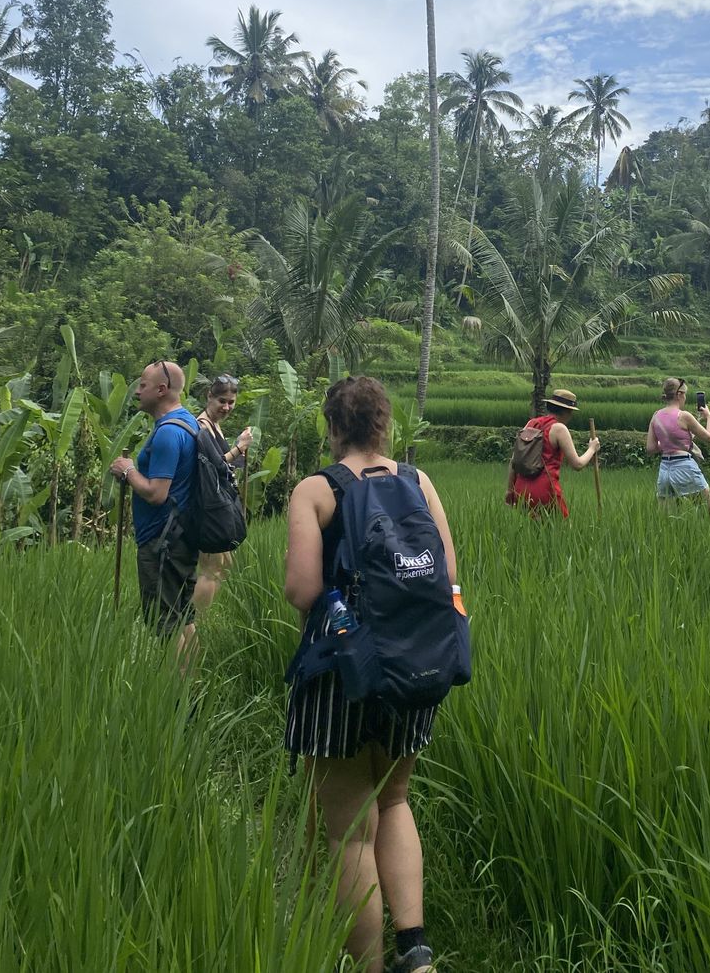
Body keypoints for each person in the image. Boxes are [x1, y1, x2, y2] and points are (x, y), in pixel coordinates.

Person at [284, 377, 456, 973]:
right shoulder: (417, 482)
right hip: (418, 665)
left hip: (345, 675)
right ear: (385, 424)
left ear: (332, 427)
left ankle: (370, 966)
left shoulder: (316, 490)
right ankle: (416, 950)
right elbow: (447, 578)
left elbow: (303, 590)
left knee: (350, 832)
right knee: (397, 798)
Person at [109, 359, 200, 661]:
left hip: (162, 543)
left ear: (161, 390)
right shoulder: (188, 421)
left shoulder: (167, 434)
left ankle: (177, 702)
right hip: (182, 537)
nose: (136, 391)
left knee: (166, 625)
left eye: (143, 385)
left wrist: (127, 471)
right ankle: (193, 695)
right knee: (184, 620)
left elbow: (156, 493)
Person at [192, 373, 252, 612]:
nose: (227, 407)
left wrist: (240, 451)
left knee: (225, 564)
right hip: (207, 509)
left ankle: (208, 615)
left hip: (220, 506)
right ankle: (194, 621)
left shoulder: (215, 425)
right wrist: (239, 448)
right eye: (222, 401)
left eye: (231, 402)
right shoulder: (202, 426)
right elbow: (212, 465)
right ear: (210, 397)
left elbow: (225, 466)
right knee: (211, 568)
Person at [504, 388, 600, 518]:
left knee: (531, 533)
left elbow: (514, 461)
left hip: (521, 489)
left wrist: (510, 490)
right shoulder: (559, 429)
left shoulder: (530, 424)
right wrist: (592, 449)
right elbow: (577, 464)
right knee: (561, 531)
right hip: (545, 490)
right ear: (567, 411)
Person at [646, 377, 710, 514]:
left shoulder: (656, 416)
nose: (685, 397)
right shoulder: (684, 416)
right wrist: (709, 417)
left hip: (664, 469)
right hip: (683, 465)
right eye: (684, 393)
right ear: (679, 395)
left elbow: (650, 448)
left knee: (664, 516)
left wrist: (667, 443)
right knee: (707, 502)